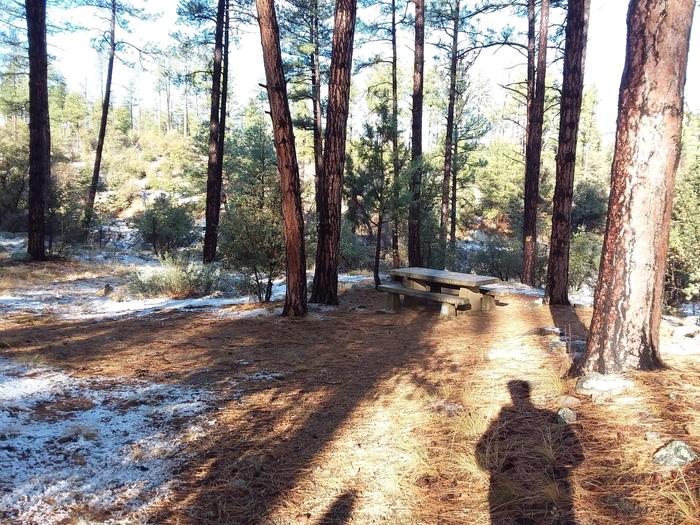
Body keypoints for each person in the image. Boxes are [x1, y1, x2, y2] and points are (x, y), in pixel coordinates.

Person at [476, 380, 583, 524]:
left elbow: (482, 459)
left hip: (520, 489)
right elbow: (577, 457)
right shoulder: (547, 416)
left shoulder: (503, 420)